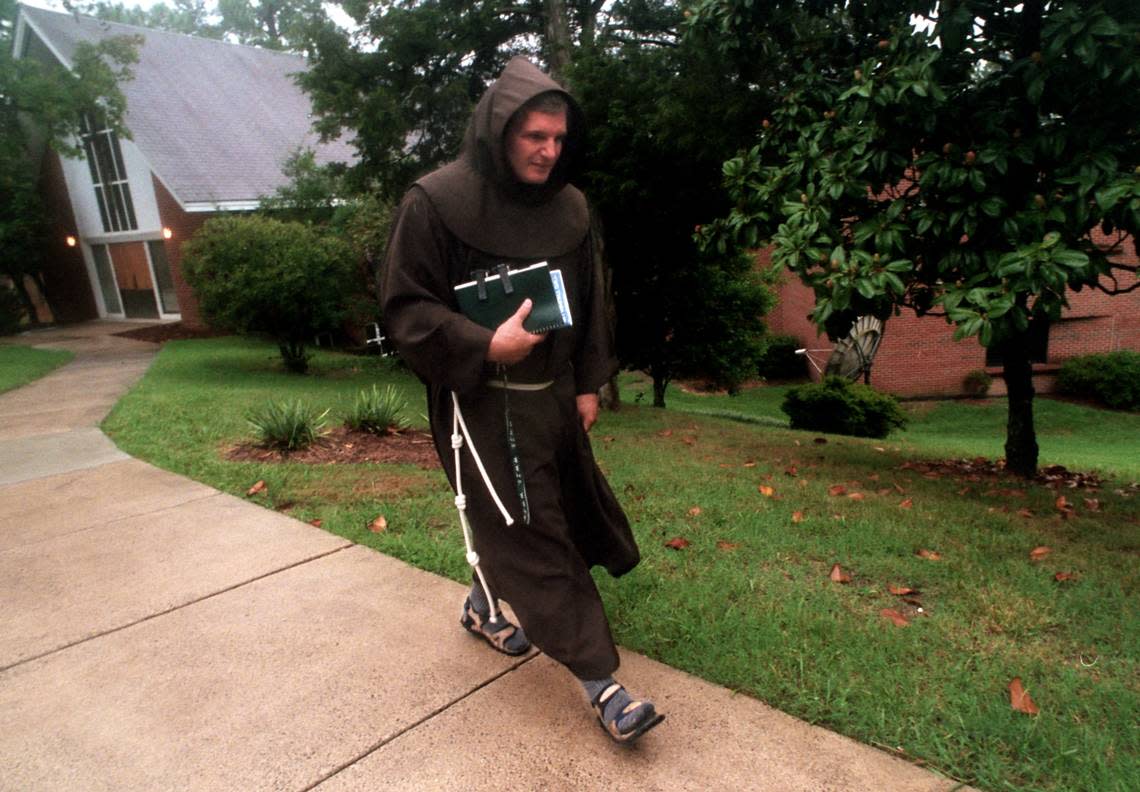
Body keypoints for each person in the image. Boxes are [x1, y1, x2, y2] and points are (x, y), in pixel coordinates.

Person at [380, 56, 663, 745]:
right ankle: (605, 687)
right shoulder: (434, 202)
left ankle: (482, 607)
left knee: (549, 513)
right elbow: (405, 309)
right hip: (478, 405)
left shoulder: (570, 207)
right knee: (532, 532)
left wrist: (590, 381)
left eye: (558, 138)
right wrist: (483, 345)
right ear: (498, 131)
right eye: (535, 136)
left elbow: (592, 302)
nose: (549, 150)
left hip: (553, 400)